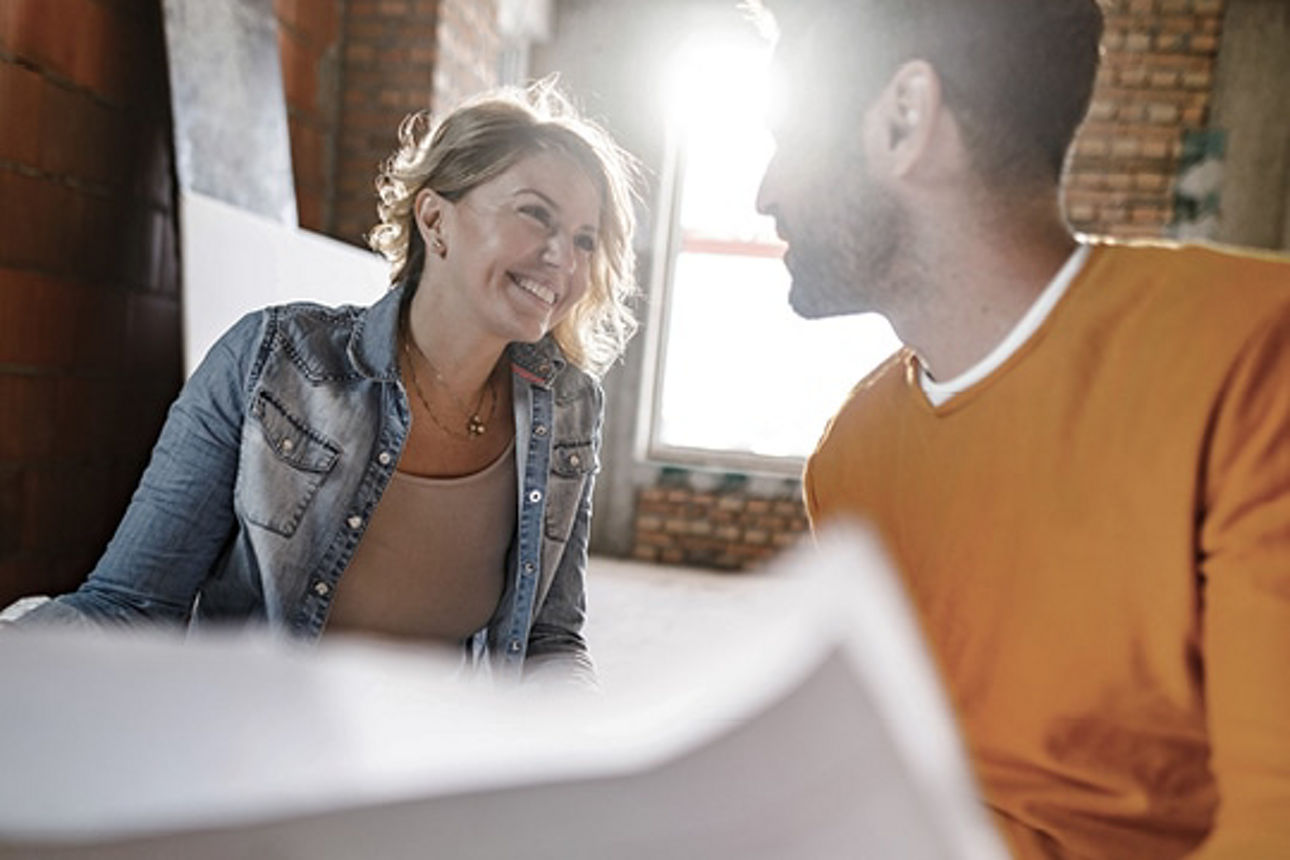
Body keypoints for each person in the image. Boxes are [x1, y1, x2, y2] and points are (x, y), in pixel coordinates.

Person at [752, 0, 1290, 856]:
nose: (764, 192)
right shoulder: (848, 458)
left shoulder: (1255, 359)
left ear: (904, 120)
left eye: (788, 139)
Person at [12, 81, 640, 686]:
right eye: (536, 214)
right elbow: (130, 606)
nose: (566, 258)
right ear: (434, 218)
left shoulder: (568, 409)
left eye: (586, 240)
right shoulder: (271, 362)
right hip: (256, 757)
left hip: (437, 768)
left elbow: (548, 641)